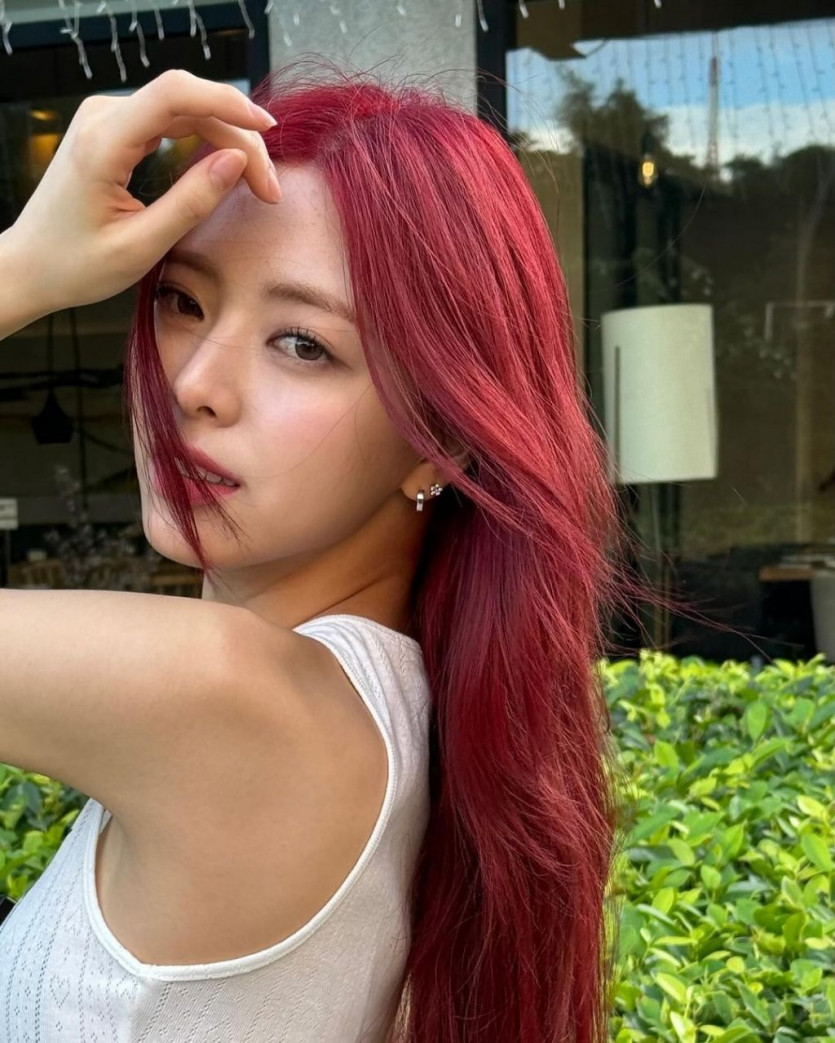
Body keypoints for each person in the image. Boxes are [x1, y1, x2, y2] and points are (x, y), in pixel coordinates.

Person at [0, 58, 652, 1042]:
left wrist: (22, 267)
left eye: (303, 343)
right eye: (182, 300)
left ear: (443, 437)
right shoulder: (394, 716)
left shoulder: (235, 701)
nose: (195, 384)